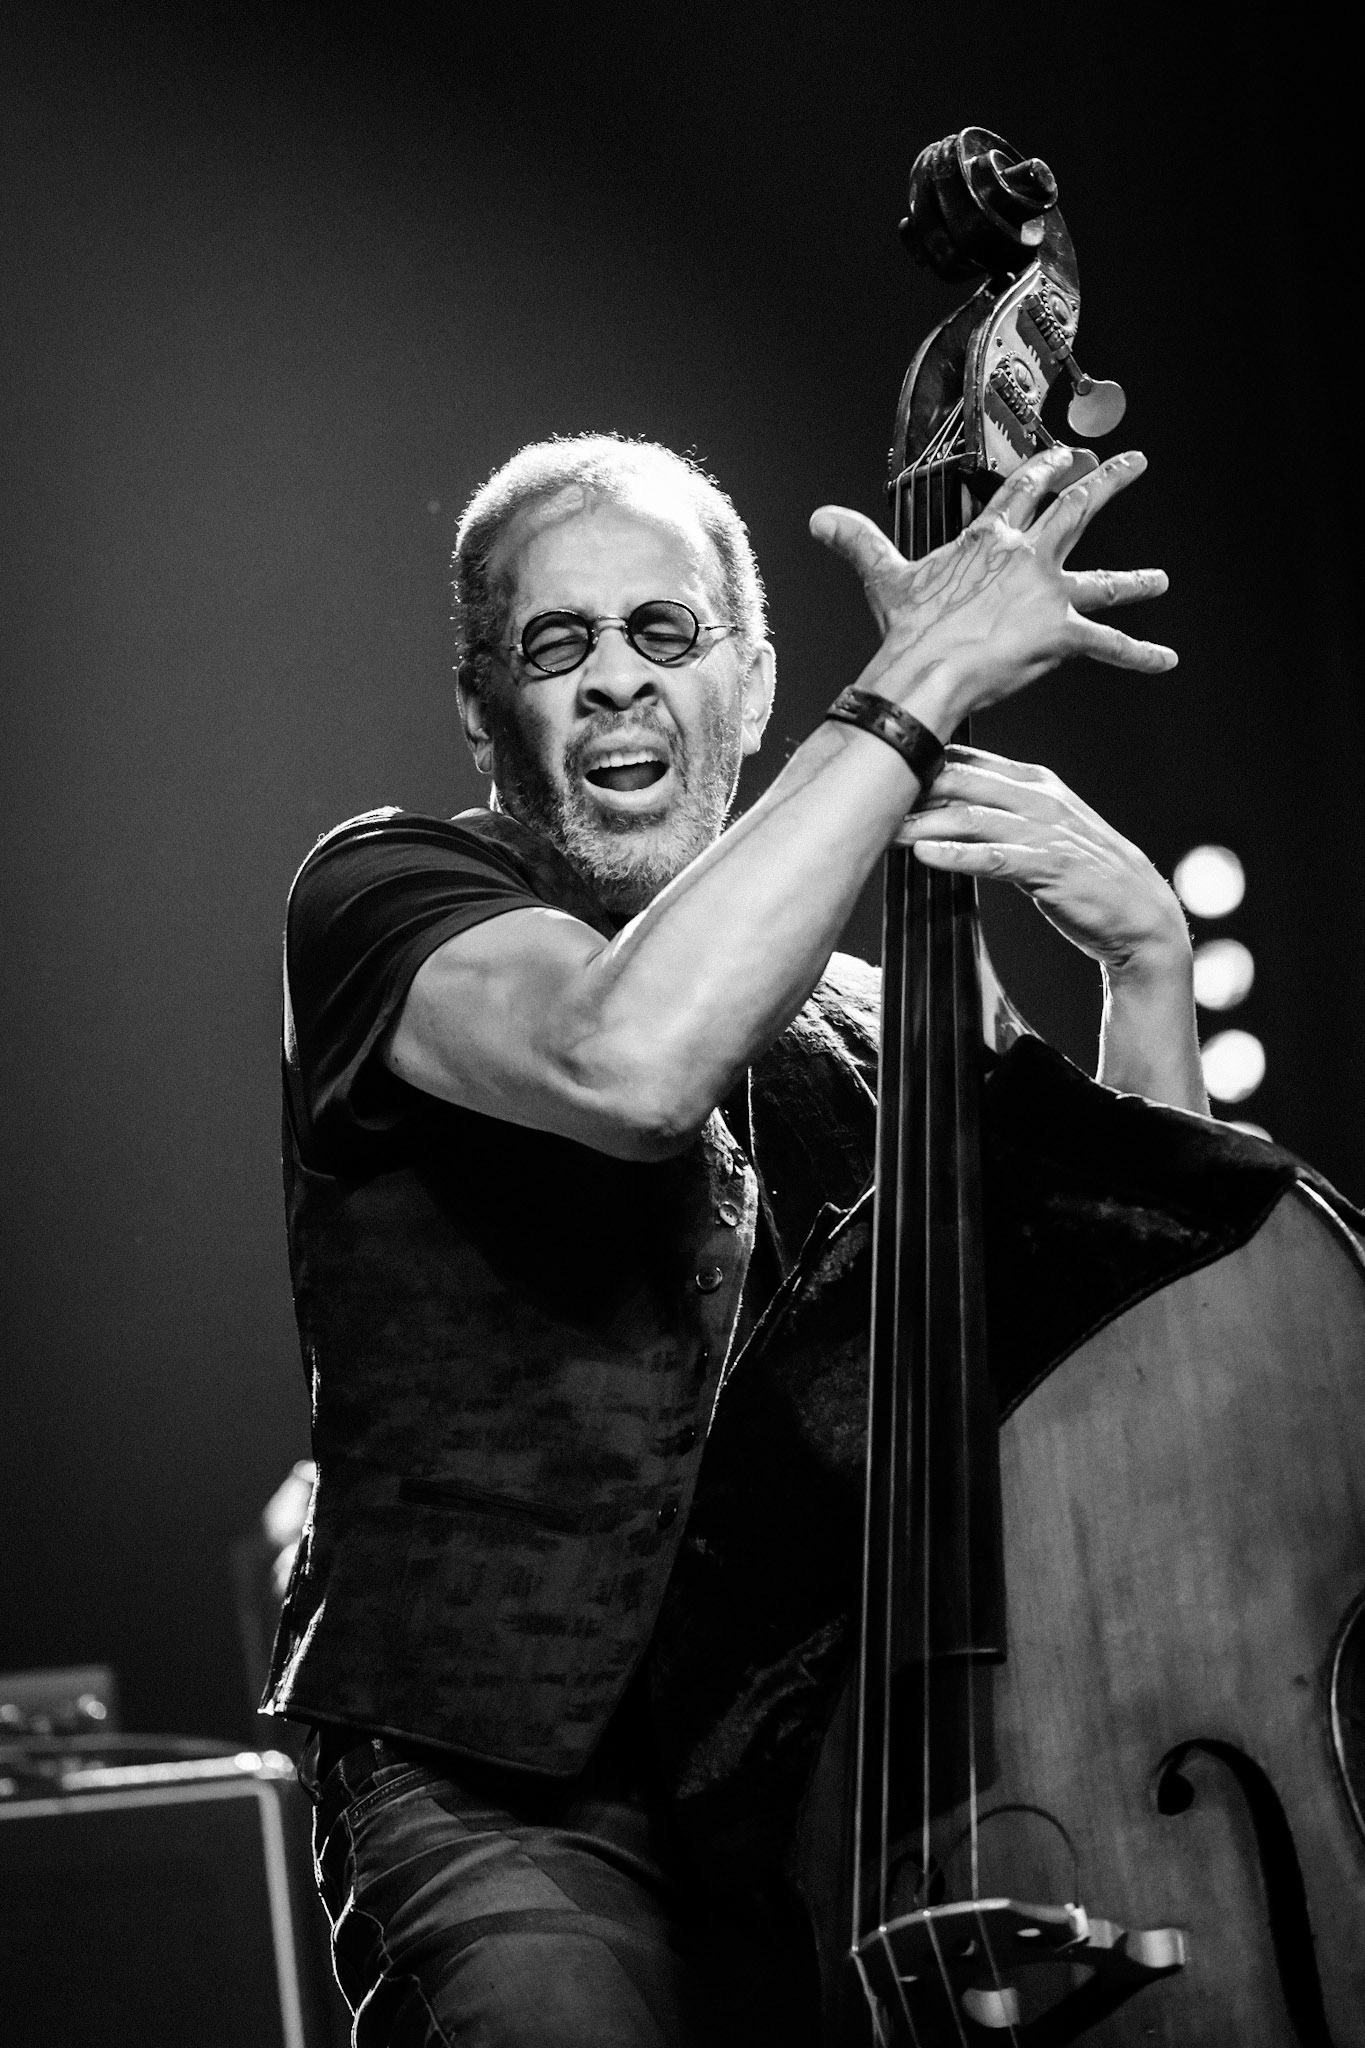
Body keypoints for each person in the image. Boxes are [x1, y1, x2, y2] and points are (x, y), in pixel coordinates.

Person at [264, 433, 1206, 2046]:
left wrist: (1144, 973)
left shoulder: (871, 1024)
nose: (617, 680)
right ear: (486, 708)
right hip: (509, 1796)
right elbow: (627, 1063)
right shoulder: (388, 896)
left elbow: (1133, 1351)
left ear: (757, 686)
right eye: (557, 647)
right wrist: (917, 687)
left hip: (825, 1788)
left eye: (665, 632)